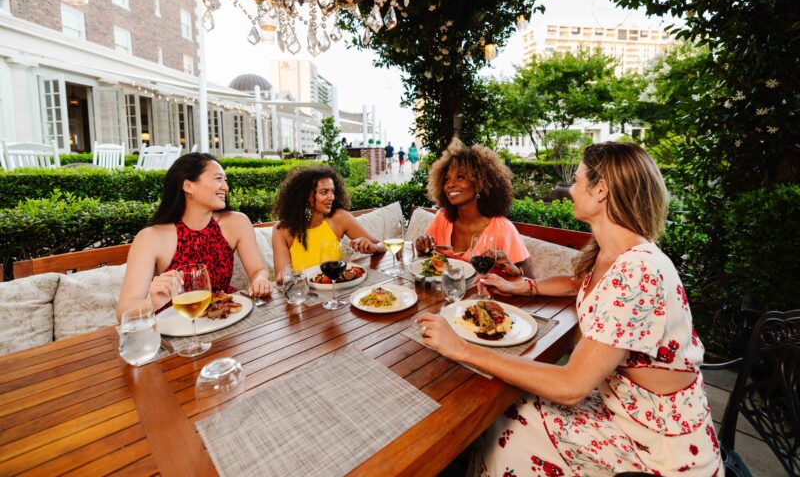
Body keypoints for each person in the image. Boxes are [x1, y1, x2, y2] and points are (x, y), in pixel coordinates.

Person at [417, 142, 723, 476]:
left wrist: (461, 348)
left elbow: (571, 386)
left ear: (601, 189)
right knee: (507, 409)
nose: (569, 191)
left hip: (657, 446)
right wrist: (524, 286)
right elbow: (580, 283)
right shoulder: (617, 252)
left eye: (577, 181)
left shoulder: (638, 271)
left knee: (506, 423)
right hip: (623, 410)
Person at [117, 153, 271, 320]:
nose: (226, 187)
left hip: (225, 317)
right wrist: (152, 302)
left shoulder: (237, 223)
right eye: (218, 179)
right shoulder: (151, 238)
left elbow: (258, 270)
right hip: (177, 325)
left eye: (225, 180)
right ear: (188, 186)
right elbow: (123, 311)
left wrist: (260, 279)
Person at [414, 138, 534, 280]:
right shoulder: (443, 218)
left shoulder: (502, 228)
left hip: (485, 299)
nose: (450, 184)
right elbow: (429, 262)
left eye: (460, 177)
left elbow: (529, 280)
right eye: (447, 179)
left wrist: (514, 271)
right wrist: (423, 249)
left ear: (479, 184)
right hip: (447, 297)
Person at [272, 165, 386, 281]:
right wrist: (285, 276)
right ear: (306, 196)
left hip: (337, 292)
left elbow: (383, 245)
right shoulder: (282, 230)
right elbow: (282, 277)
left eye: (332, 191)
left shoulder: (339, 218)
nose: (331, 197)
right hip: (305, 294)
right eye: (324, 192)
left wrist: (373, 247)